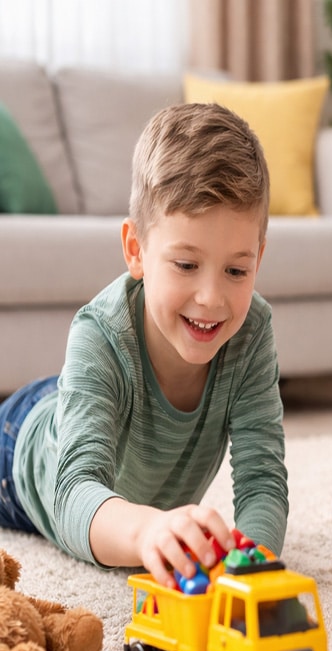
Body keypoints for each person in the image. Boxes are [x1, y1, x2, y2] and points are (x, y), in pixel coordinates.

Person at [0, 102, 288, 589]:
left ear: (258, 258)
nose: (211, 297)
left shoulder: (252, 331)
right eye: (186, 265)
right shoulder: (99, 332)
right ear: (136, 250)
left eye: (236, 270)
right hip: (21, 448)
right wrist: (146, 530)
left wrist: (250, 570)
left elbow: (263, 480)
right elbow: (73, 492)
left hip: (90, 404)